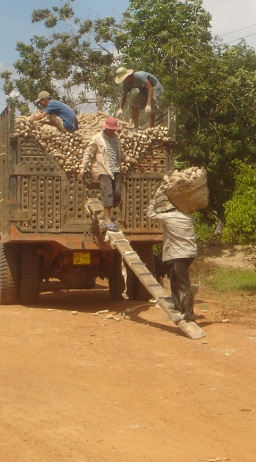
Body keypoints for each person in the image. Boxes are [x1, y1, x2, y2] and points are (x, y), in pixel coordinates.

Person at [77, 117, 137, 231]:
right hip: (103, 169)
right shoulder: (97, 139)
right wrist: (82, 169)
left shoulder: (115, 138)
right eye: (111, 129)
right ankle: (108, 221)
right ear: (106, 128)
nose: (113, 131)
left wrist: (129, 159)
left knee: (117, 194)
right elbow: (88, 154)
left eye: (114, 130)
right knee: (108, 193)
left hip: (115, 169)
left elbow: (120, 154)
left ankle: (103, 214)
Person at [146, 191, 197, 323]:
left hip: (179, 254)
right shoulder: (188, 216)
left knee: (184, 285)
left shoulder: (168, 217)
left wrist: (154, 198)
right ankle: (178, 306)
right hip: (190, 253)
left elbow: (149, 213)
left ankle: (188, 314)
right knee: (174, 278)